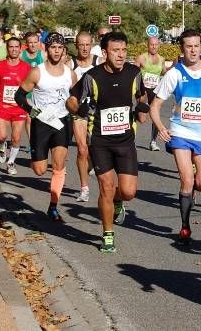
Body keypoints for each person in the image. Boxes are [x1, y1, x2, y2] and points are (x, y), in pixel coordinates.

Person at [66, 32, 148, 252]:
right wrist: (79, 109)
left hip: (126, 140)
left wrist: (143, 108)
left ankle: (119, 202)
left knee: (129, 191)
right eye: (116, 51)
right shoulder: (92, 77)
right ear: (104, 53)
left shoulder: (134, 73)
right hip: (100, 141)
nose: (121, 55)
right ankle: (108, 234)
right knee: (106, 187)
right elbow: (70, 100)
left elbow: (142, 95)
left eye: (124, 50)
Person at [149, 29, 201, 243]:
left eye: (196, 46)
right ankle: (184, 226)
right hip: (180, 133)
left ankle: (193, 184)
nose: (193, 50)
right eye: (188, 46)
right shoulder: (175, 74)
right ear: (182, 49)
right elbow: (155, 106)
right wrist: (161, 127)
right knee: (186, 178)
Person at [15, 33, 77, 222]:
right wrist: (32, 112)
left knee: (59, 165)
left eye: (60, 48)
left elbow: (76, 99)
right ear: (46, 49)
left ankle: (53, 206)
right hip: (41, 124)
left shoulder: (70, 74)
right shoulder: (37, 72)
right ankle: (36, 157)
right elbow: (19, 96)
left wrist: (78, 112)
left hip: (62, 123)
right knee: (40, 170)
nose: (56, 51)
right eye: (53, 47)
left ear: (64, 50)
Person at [0, 37, 31, 175]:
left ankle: (11, 162)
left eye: (16, 47)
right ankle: (2, 146)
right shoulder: (0, 65)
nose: (14, 49)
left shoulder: (26, 67)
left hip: (19, 108)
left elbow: (32, 85)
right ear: (7, 48)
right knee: (1, 136)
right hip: (2, 106)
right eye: (11, 47)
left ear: (20, 49)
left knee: (16, 138)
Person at [69, 32, 100, 202]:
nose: (84, 48)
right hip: (79, 112)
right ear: (76, 45)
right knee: (82, 149)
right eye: (81, 45)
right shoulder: (70, 64)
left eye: (87, 44)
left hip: (97, 112)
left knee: (94, 149)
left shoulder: (99, 62)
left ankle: (90, 165)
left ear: (92, 44)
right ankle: (84, 188)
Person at [134, 36, 168, 151]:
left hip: (155, 90)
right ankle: (132, 119)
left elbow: (164, 72)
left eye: (156, 44)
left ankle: (153, 142)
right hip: (143, 90)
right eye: (151, 44)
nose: (154, 47)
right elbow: (132, 73)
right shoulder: (141, 58)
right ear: (147, 45)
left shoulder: (162, 59)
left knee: (155, 116)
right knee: (142, 119)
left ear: (158, 45)